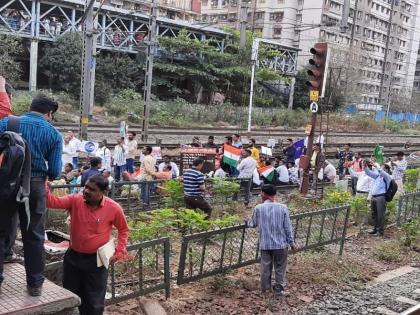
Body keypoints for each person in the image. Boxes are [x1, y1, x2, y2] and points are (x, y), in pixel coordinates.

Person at [0, 95, 62, 296]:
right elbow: (54, 171)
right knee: (34, 236)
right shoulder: (53, 134)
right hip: (34, 188)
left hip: (6, 185)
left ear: (30, 107)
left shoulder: (8, 122)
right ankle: (34, 285)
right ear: (49, 113)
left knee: (0, 232)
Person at [46, 175, 129, 315]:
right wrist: (44, 187)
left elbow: (124, 229)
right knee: (70, 295)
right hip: (73, 258)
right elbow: (52, 202)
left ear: (102, 192)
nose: (86, 191)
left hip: (97, 261)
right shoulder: (75, 200)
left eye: (91, 189)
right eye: (85, 187)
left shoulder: (113, 208)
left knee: (94, 300)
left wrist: (120, 250)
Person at [247, 184, 296, 295]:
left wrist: (246, 222)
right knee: (280, 268)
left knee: (265, 268)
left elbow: (253, 224)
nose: (260, 194)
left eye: (261, 192)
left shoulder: (258, 208)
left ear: (264, 194)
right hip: (281, 244)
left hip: (265, 244)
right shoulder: (283, 208)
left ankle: (265, 289)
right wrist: (292, 243)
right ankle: (278, 290)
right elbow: (287, 227)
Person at [364, 160, 392, 237]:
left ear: (386, 169)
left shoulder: (387, 177)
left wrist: (376, 166)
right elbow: (368, 173)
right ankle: (375, 228)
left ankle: (380, 231)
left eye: (382, 168)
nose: (380, 169)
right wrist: (365, 166)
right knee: (374, 214)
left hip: (381, 197)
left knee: (380, 215)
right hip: (374, 197)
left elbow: (382, 172)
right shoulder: (377, 176)